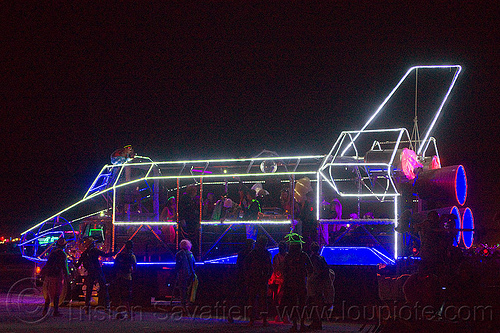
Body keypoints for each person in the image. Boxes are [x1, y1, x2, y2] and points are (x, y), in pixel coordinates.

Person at [281, 233, 313, 332]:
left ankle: (294, 324)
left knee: (292, 304)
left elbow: (284, 270)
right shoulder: (303, 255)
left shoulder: (288, 256)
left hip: (290, 284)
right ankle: (302, 324)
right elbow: (310, 268)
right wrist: (306, 276)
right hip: (301, 283)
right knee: (302, 304)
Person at [76, 237, 115, 314]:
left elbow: (78, 264)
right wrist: (115, 252)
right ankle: (107, 307)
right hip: (98, 271)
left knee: (89, 290)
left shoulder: (84, 253)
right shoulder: (95, 251)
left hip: (90, 273)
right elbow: (105, 255)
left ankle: (87, 308)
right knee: (104, 288)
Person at [244, 235, 272, 326]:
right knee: (263, 300)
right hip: (262, 278)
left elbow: (246, 265)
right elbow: (270, 266)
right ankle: (264, 319)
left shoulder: (253, 253)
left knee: (252, 299)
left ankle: (252, 319)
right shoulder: (266, 253)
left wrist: (248, 276)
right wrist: (268, 276)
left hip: (254, 278)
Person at [228, 238, 255, 323]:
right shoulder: (251, 254)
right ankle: (252, 315)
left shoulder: (241, 253)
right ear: (250, 245)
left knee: (238, 296)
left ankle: (231, 314)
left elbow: (238, 265)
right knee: (250, 296)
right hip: (247, 277)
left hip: (241, 277)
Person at [42, 237, 70, 317]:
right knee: (57, 293)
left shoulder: (53, 253)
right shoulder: (63, 255)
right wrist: (67, 276)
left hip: (50, 275)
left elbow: (48, 264)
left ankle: (45, 310)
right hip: (57, 275)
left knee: (49, 293)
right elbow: (64, 266)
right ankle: (55, 311)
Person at [306, 242, 330, 330]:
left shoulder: (312, 259)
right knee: (318, 304)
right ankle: (318, 322)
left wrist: (309, 280)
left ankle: (315, 322)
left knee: (314, 303)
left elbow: (313, 272)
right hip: (321, 284)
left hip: (314, 284)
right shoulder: (321, 258)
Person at [114, 240, 137, 319]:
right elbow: (135, 267)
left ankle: (120, 312)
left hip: (119, 277)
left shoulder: (119, 255)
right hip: (127, 277)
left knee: (120, 295)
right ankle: (128, 312)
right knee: (126, 296)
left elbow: (115, 266)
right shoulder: (131, 256)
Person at [175, 239, 196, 312]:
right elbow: (194, 264)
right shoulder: (191, 254)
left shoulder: (179, 254)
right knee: (189, 290)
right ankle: (189, 304)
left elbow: (177, 265)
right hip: (190, 274)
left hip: (181, 274)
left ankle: (183, 305)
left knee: (182, 290)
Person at [178, 185, 200, 257]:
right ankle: (185, 252)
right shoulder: (184, 198)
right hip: (187, 220)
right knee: (186, 237)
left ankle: (193, 253)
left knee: (193, 237)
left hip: (193, 220)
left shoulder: (195, 199)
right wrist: (182, 219)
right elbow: (181, 209)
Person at [269, 240, 287, 322]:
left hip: (284, 280)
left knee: (284, 299)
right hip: (278, 281)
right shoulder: (277, 257)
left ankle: (283, 315)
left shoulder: (285, 257)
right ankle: (279, 315)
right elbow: (275, 269)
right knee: (277, 299)